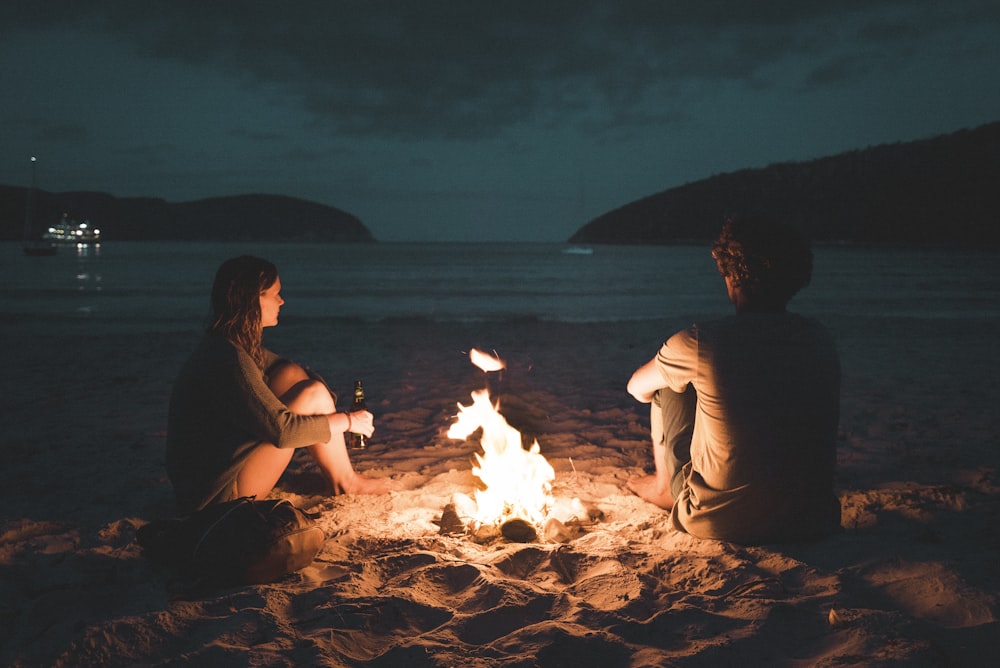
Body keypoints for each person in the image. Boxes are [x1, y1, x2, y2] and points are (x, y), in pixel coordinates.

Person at [626, 216, 840, 544]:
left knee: (667, 384)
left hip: (718, 521)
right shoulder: (819, 337)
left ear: (731, 277)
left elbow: (636, 388)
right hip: (812, 518)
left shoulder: (702, 341)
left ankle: (662, 486)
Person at [166, 255, 389, 514]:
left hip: (202, 483)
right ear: (253, 299)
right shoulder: (230, 360)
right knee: (313, 394)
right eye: (275, 294)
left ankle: (343, 477)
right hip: (217, 498)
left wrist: (323, 402)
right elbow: (284, 433)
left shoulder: (227, 345)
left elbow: (300, 375)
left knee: (291, 375)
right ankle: (346, 482)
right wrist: (349, 421)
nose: (281, 301)